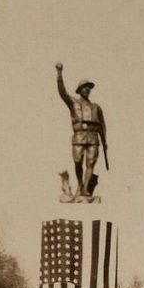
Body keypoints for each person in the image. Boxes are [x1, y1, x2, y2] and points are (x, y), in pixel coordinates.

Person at [56, 62, 107, 197]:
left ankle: (84, 189)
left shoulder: (96, 107)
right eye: (84, 87)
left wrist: (104, 141)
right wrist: (59, 74)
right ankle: (80, 184)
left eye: (88, 88)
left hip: (93, 137)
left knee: (90, 163)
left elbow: (102, 125)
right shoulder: (74, 103)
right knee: (78, 161)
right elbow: (62, 92)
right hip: (79, 135)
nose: (87, 90)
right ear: (79, 90)